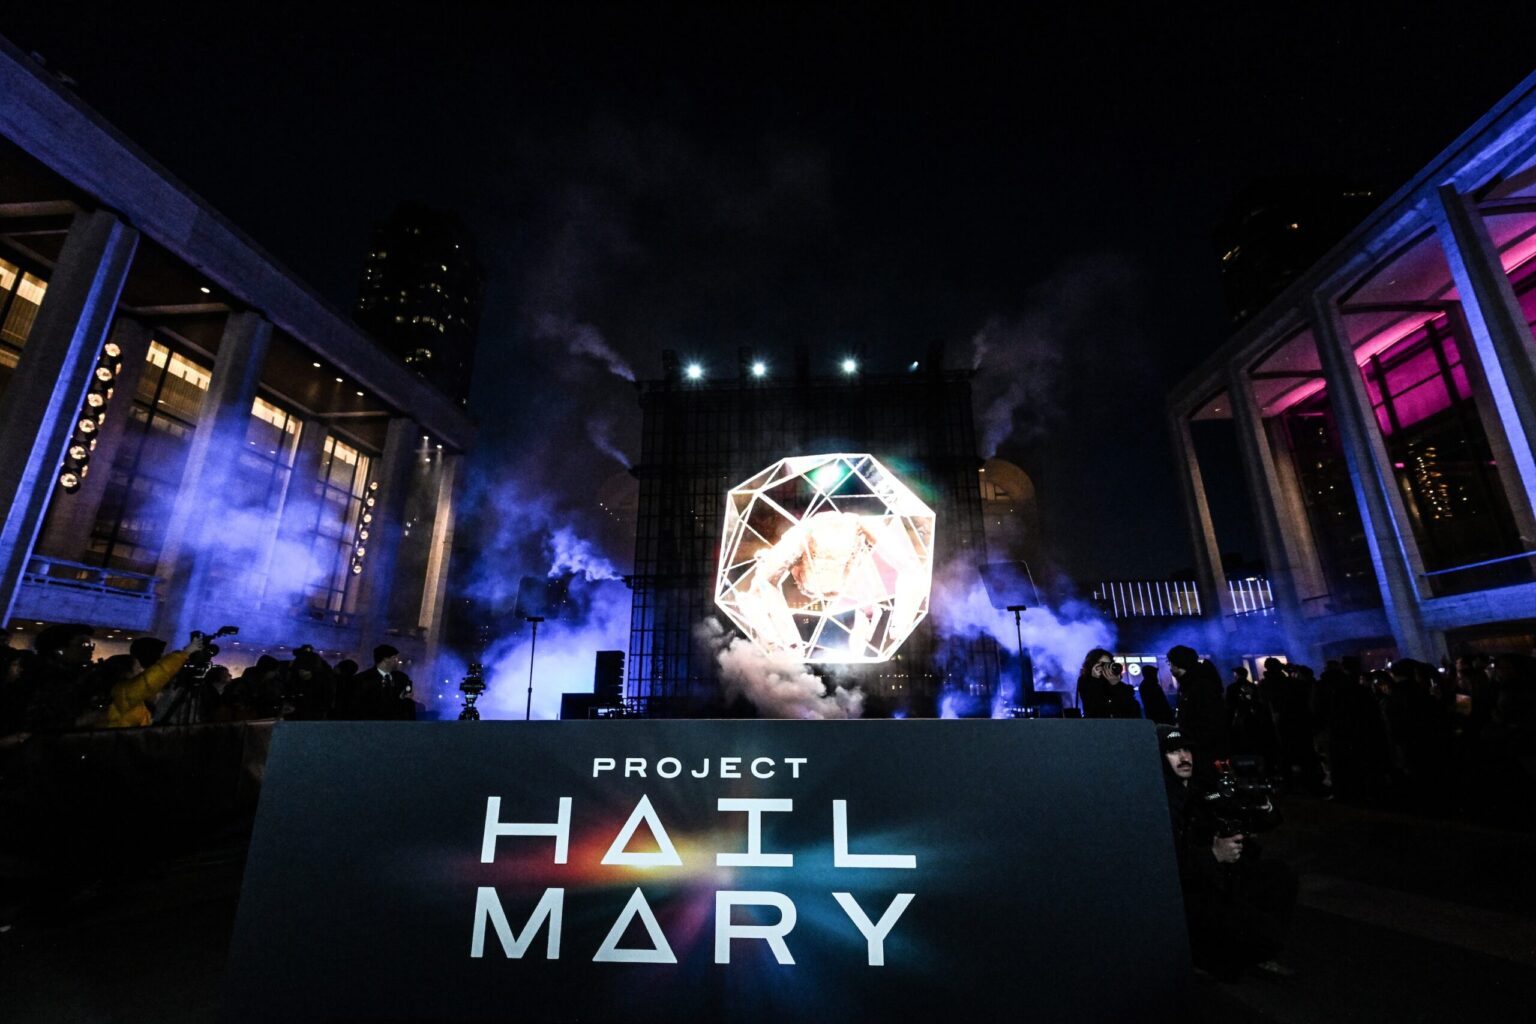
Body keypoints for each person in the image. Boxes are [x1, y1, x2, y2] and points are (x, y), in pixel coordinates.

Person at [1158, 724, 1296, 980]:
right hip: (1192, 891)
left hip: (1224, 878)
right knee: (1260, 933)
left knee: (1280, 876)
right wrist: (1213, 854)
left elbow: (1267, 820)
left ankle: (1249, 952)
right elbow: (1166, 867)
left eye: (1186, 749)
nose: (1184, 757)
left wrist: (1260, 801)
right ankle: (1209, 960)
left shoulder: (1203, 790)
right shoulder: (1160, 801)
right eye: (1173, 752)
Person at [1167, 645, 1231, 783]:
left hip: (1205, 751)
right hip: (1198, 749)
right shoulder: (1190, 684)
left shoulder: (1199, 686)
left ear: (1178, 663)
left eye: (1170, 663)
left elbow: (1211, 721)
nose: (1170, 667)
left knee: (1208, 788)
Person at [351, 645, 416, 720]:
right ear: (386, 659)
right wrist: (399, 699)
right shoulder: (363, 679)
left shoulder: (402, 678)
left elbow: (408, 704)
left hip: (397, 724)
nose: (397, 660)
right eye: (395, 657)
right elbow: (361, 706)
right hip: (372, 724)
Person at [1076, 648, 1142, 718]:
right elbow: (1093, 707)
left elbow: (1132, 708)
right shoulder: (1085, 681)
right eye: (1101, 664)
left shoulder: (1118, 684)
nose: (1105, 667)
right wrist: (1095, 679)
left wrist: (1116, 685)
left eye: (1108, 664)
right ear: (1092, 665)